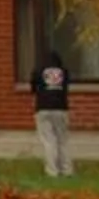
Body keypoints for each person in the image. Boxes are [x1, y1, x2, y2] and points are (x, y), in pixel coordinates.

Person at [31, 47, 74, 177]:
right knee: (62, 140)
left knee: (49, 141)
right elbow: (66, 88)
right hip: (61, 108)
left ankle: (52, 171)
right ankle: (67, 170)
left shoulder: (38, 71)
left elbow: (33, 88)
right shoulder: (64, 72)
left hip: (43, 108)